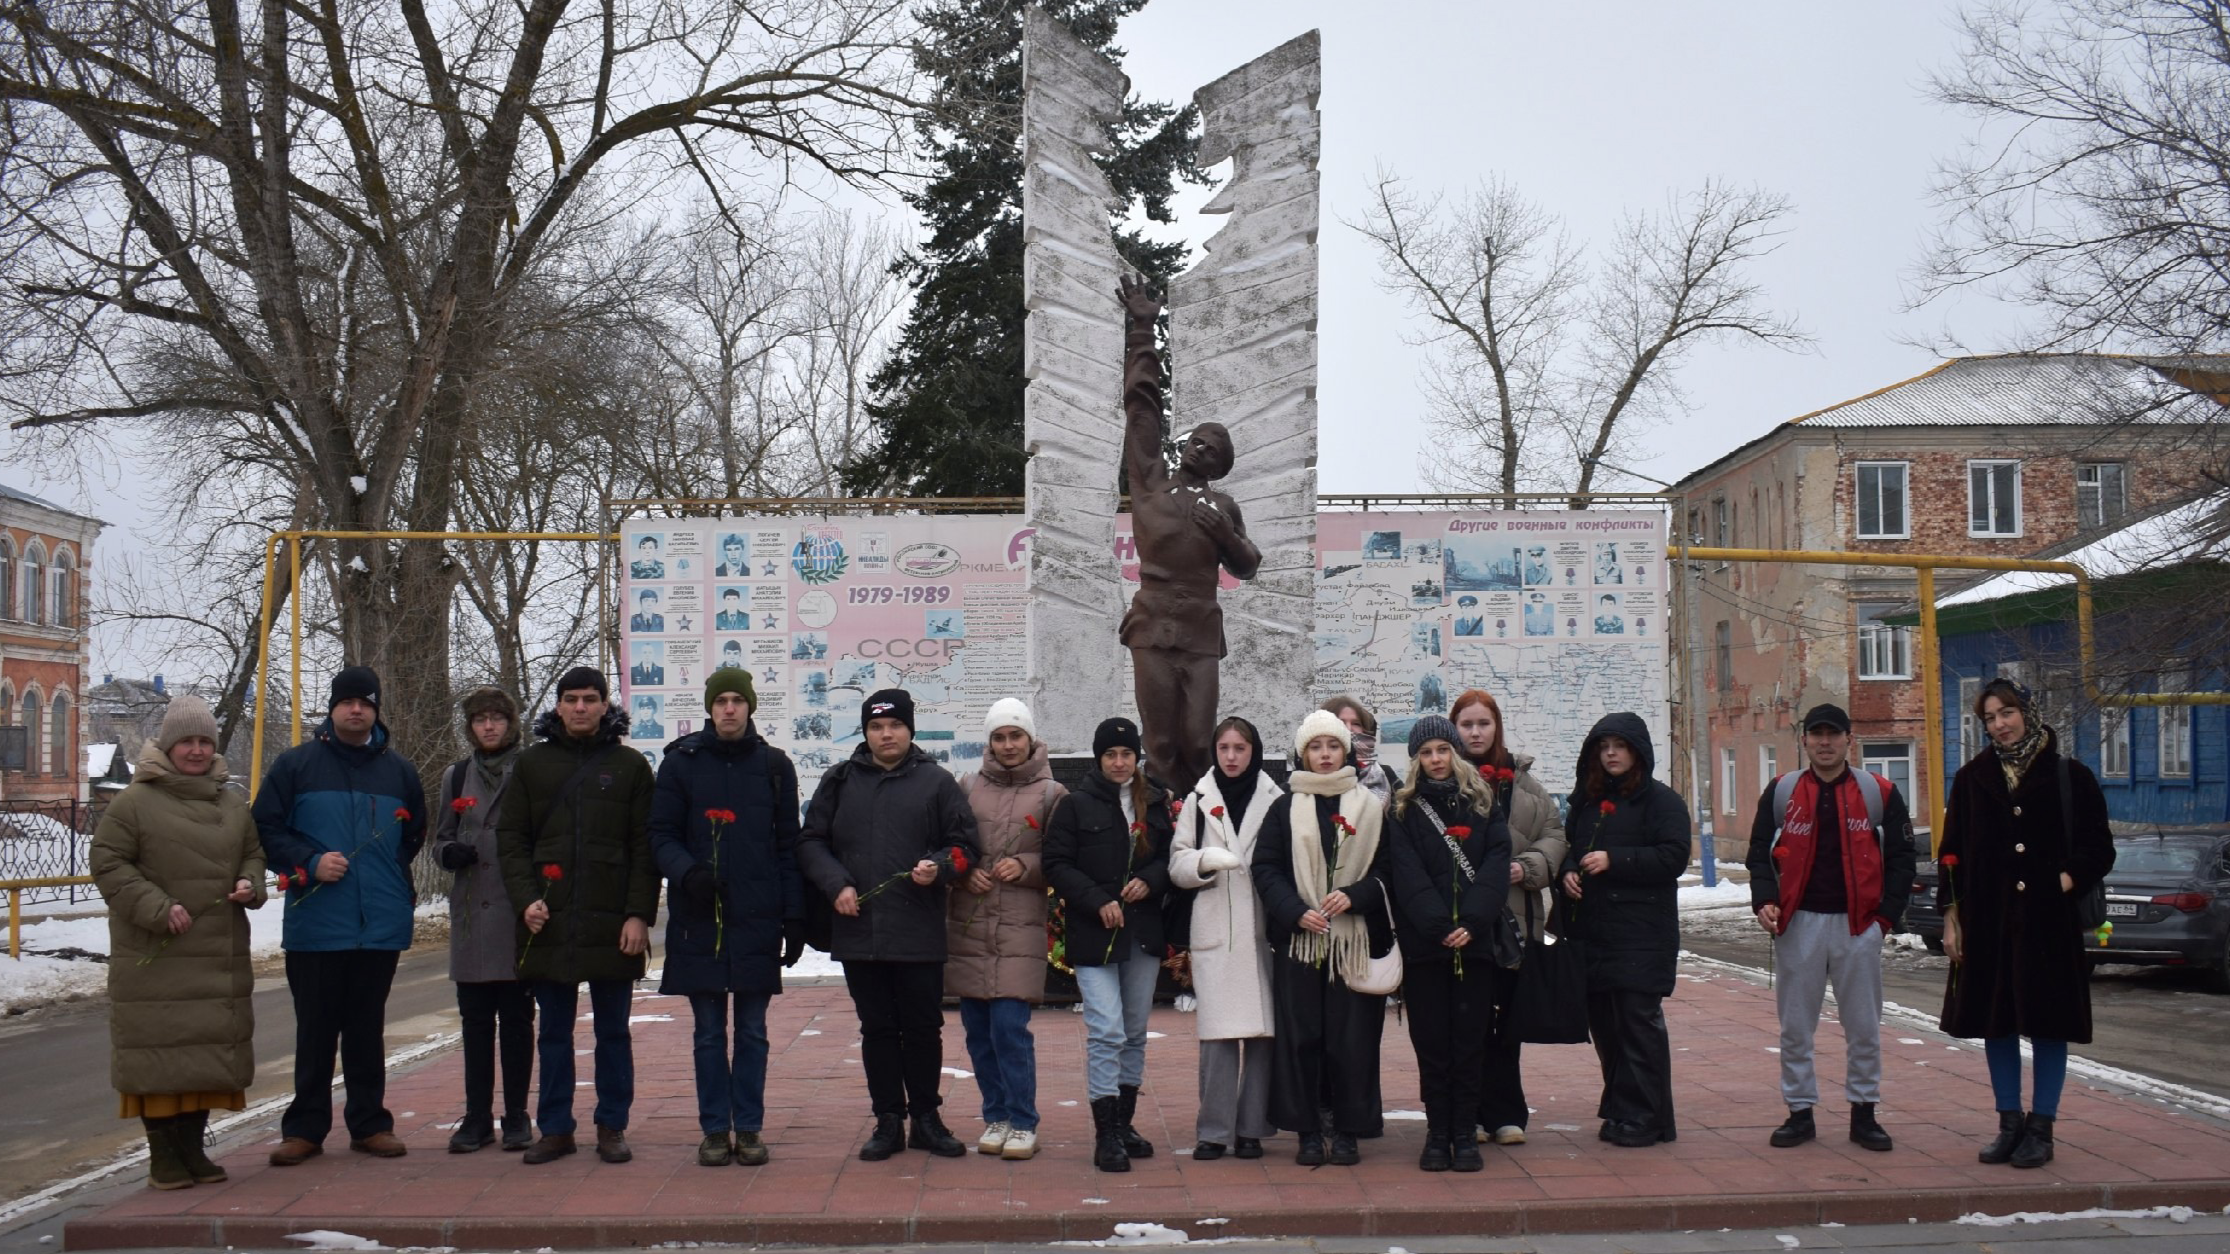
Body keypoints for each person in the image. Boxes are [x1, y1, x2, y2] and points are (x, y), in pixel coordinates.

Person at [796, 688, 982, 1161]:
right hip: (860, 931)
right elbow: (811, 841)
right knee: (877, 1028)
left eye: (894, 726)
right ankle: (887, 1121)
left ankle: (926, 1119)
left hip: (918, 930)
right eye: (876, 727)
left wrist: (939, 867)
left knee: (922, 1028)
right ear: (865, 733)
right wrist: (836, 883)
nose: (886, 734)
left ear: (909, 730)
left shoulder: (936, 782)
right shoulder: (839, 780)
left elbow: (965, 847)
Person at [1938, 678, 2115, 1169]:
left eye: (2007, 713)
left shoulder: (2069, 775)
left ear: (2026, 713)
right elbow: (1951, 853)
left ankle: (2042, 1127)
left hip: (2047, 923)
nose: (2000, 725)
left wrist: (2062, 880)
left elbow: (2099, 847)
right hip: (1989, 922)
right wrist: (1952, 914)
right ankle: (2008, 1123)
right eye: (1990, 719)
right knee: (1997, 1023)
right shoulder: (1972, 778)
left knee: (2047, 1023)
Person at [253, 666, 426, 1166]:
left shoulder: (399, 771)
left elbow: (411, 835)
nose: (356, 710)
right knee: (315, 1030)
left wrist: (388, 880)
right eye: (347, 701)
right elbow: (265, 828)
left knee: (367, 1029)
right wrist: (309, 862)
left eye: (365, 703)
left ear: (376, 710)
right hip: (317, 924)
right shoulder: (296, 766)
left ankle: (370, 1124)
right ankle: (305, 1129)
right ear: (332, 708)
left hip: (380, 926)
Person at [91, 696, 266, 1189]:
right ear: (166, 747)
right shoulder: (133, 803)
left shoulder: (230, 802)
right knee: (159, 1056)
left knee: (205, 1056)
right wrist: (157, 906)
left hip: (216, 951)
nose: (195, 750)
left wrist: (251, 884)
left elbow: (253, 853)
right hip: (157, 954)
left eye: (204, 741)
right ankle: (163, 1157)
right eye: (186, 741)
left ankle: (192, 1150)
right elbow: (108, 864)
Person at [498, 666, 657, 1166]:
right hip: (549, 918)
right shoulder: (532, 765)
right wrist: (526, 900)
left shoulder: (631, 766)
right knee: (553, 1033)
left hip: (612, 921)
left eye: (591, 698)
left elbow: (644, 848)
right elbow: (511, 840)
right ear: (559, 705)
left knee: (613, 1031)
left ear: (606, 704)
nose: (582, 707)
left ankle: (612, 1125)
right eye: (572, 699)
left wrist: (638, 916)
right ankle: (556, 1128)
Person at [648, 668, 805, 1168]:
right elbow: (660, 835)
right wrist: (688, 872)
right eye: (722, 701)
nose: (730, 709)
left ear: (751, 706)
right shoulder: (680, 765)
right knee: (709, 1033)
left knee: (754, 1032)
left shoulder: (776, 767)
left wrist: (794, 918)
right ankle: (716, 1129)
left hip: (758, 917)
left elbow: (788, 847)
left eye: (738, 700)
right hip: (701, 917)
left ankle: (751, 1128)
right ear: (710, 707)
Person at [1745, 702, 1916, 1154]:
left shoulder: (1878, 791)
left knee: (1863, 1025)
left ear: (1848, 740)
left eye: (1833, 734)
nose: (1825, 742)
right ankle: (1799, 1112)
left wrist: (1885, 919)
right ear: (1804, 740)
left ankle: (1865, 1112)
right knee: (1795, 1027)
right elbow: (1758, 850)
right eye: (1816, 734)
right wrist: (1764, 899)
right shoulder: (1782, 791)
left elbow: (1902, 860)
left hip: (1858, 926)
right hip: (1798, 924)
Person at [1115, 276, 1263, 790]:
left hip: (1200, 627)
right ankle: (1158, 831)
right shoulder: (1151, 483)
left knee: (1200, 741)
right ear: (1184, 446)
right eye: (1197, 441)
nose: (1201, 449)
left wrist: (1225, 532)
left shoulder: (1224, 505)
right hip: (1152, 622)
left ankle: (1203, 820)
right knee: (1157, 743)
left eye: (1212, 450)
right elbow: (1141, 408)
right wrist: (1141, 329)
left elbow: (1248, 565)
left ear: (1220, 466)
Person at [1252, 709, 1393, 1166]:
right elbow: (1266, 868)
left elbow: (1389, 871)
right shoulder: (1284, 807)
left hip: (1353, 942)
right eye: (1316, 747)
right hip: (1301, 942)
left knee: (1352, 1039)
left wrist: (1356, 895)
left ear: (1347, 751)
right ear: (1302, 754)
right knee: (1302, 1037)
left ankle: (1350, 1128)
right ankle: (1308, 1129)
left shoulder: (1370, 808)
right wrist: (1296, 912)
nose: (1326, 755)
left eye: (1333, 746)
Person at [1045, 716, 1175, 1173]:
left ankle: (1124, 1124)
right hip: (1094, 935)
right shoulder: (1076, 805)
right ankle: (1105, 1135)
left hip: (1140, 934)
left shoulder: (1154, 803)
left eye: (1127, 754)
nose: (1120, 763)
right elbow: (1057, 864)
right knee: (1107, 1031)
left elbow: (1167, 858)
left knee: (1135, 1031)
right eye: (1110, 755)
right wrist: (1097, 899)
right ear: (1098, 759)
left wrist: (1149, 881)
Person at [1384, 714, 1511, 1173]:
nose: (1436, 759)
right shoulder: (1403, 810)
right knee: (1432, 1044)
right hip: (1426, 947)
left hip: (1473, 945)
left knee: (1470, 1043)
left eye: (1442, 749)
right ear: (1416, 759)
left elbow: (1497, 863)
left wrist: (1472, 920)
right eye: (1426, 752)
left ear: (1455, 752)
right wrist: (1439, 924)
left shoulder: (1481, 804)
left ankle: (1465, 1133)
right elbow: (1406, 873)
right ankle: (1438, 1133)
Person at [1559, 711, 1688, 1148]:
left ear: (1638, 751)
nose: (1611, 753)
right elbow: (1570, 848)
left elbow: (1673, 856)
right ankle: (1622, 1109)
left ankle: (1647, 1117)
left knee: (1638, 1025)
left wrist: (1617, 859)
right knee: (1607, 1028)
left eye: (1620, 746)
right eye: (1604, 746)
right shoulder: (1587, 801)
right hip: (1594, 933)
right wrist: (1570, 871)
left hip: (1642, 935)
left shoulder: (1662, 801)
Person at [946, 699, 1065, 1161]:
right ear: (989, 742)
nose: (1008, 745)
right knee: (978, 1032)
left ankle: (1022, 1120)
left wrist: (1028, 864)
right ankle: (994, 1115)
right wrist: (963, 869)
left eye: (1016, 735)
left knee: (1010, 1030)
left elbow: (1061, 859)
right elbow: (952, 844)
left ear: (1030, 739)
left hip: (1018, 928)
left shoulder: (1053, 794)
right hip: (970, 927)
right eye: (999, 737)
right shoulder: (967, 786)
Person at [1449, 688, 1567, 1146]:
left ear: (1497, 726)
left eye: (1484, 723)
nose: (1476, 732)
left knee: (1506, 1021)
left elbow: (1555, 833)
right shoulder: (1441, 774)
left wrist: (1529, 867)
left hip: (1514, 918)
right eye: (1466, 724)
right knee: (1468, 1020)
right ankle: (1471, 1112)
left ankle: (1507, 1114)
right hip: (1463, 922)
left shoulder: (1523, 782)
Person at [1168, 717, 1283, 1162]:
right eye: (1224, 748)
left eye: (1241, 748)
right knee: (1216, 1039)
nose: (1232, 757)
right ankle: (1213, 1131)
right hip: (1215, 929)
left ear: (1254, 751)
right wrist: (1203, 861)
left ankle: (1252, 1128)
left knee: (1260, 1036)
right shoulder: (1198, 800)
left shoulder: (1275, 798)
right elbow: (1177, 864)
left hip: (1260, 932)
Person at [430, 686, 535, 1154]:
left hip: (517, 915)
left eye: (496, 718)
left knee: (516, 1021)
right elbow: (440, 838)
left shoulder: (530, 771)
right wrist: (448, 852)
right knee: (474, 1024)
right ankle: (476, 1117)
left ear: (510, 723)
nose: (488, 726)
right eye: (479, 719)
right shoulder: (456, 777)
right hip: (472, 916)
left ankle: (516, 1115)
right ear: (469, 727)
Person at [1321, 696, 1397, 804]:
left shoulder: (1385, 774)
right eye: (1341, 722)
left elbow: (1402, 814)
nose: (1348, 728)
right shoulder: (1312, 773)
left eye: (1356, 723)